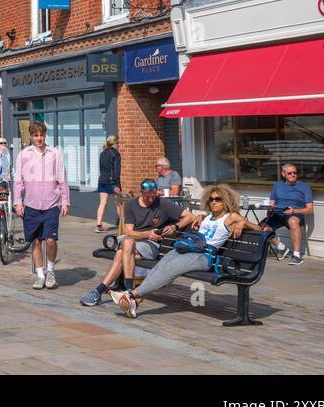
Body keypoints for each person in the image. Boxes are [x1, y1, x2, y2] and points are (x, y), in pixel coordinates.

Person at [112, 184, 248, 319]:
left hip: (204, 256)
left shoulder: (232, 217)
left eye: (217, 199)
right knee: (160, 267)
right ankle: (135, 301)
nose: (213, 202)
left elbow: (260, 229)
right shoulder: (208, 216)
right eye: (211, 199)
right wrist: (200, 217)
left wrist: (243, 223)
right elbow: (194, 219)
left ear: (226, 200)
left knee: (170, 268)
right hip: (190, 248)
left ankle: (129, 295)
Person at [80, 178, 186, 306]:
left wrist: (175, 227)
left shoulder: (163, 203)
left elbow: (189, 216)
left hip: (151, 244)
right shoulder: (131, 204)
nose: (151, 200)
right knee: (126, 244)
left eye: (153, 196)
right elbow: (129, 232)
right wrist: (148, 233)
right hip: (134, 239)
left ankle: (105, 291)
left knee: (123, 250)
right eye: (147, 197)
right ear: (141, 192)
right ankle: (128, 292)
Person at [13, 120, 69, 290]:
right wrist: (17, 203)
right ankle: (40, 275)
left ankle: (50, 271)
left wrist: (65, 201)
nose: (39, 138)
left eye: (42, 135)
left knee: (51, 240)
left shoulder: (55, 153)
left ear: (45, 135)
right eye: (36, 135)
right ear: (30, 136)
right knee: (36, 242)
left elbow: (62, 178)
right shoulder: (23, 155)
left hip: (51, 203)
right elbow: (18, 181)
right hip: (31, 205)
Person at [263, 162, 314, 264]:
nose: (293, 175)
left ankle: (296, 255)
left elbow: (310, 209)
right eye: (289, 173)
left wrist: (294, 211)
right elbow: (272, 204)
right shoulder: (277, 186)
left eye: (294, 172)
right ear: (283, 174)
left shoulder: (304, 187)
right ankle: (280, 247)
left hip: (295, 214)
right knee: (261, 228)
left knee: (293, 221)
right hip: (278, 214)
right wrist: (269, 211)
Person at [95, 135, 122, 232]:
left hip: (102, 180)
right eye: (118, 143)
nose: (119, 145)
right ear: (115, 143)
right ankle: (123, 226)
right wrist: (116, 184)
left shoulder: (103, 153)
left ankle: (98, 225)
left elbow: (101, 169)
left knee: (102, 203)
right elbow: (116, 171)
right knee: (119, 204)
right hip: (112, 182)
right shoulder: (116, 154)